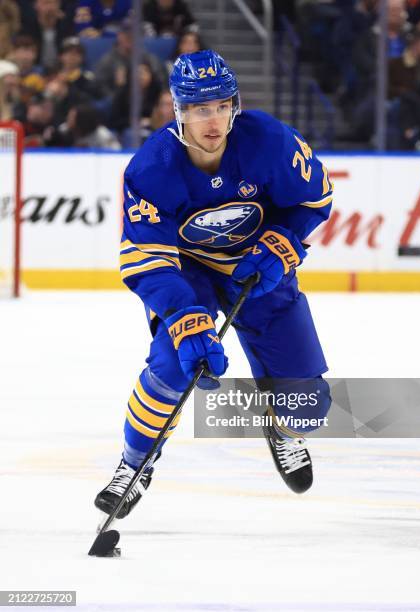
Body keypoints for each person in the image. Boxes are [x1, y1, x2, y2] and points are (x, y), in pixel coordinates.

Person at [94, 50, 333, 519]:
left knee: (309, 406)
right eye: (202, 109)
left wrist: (283, 240)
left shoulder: (269, 141)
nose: (215, 119)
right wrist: (184, 317)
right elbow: (147, 259)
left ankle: (284, 429)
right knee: (171, 369)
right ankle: (134, 463)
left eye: (223, 105)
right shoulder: (151, 169)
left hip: (256, 267)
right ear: (178, 110)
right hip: (189, 274)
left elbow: (313, 199)